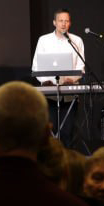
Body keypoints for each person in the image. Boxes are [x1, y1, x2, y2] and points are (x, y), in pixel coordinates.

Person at [31, 9, 85, 146]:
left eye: (66, 21)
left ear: (70, 23)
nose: (63, 24)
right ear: (54, 22)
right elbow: (36, 66)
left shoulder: (76, 40)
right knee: (50, 131)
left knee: (67, 132)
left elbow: (81, 66)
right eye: (61, 21)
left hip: (70, 94)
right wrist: (45, 81)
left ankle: (67, 158)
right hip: (49, 94)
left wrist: (71, 79)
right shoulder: (44, 40)